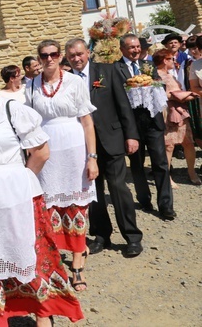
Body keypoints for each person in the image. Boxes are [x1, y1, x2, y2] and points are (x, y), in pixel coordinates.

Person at [0, 57, 83, 327]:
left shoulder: (12, 109)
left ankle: (43, 318)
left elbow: (41, 152)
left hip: (17, 199)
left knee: (31, 258)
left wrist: (19, 180)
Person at [25, 40, 97, 292]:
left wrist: (92, 157)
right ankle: (54, 263)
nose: (49, 59)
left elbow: (87, 122)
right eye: (44, 55)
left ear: (59, 56)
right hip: (46, 152)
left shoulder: (75, 82)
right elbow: (29, 123)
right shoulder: (31, 84)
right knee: (50, 208)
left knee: (77, 208)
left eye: (53, 54)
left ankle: (77, 263)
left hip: (75, 149)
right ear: (39, 58)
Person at [62, 38, 143, 259]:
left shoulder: (106, 71)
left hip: (112, 138)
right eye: (71, 56)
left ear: (87, 53)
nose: (76, 58)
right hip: (83, 145)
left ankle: (132, 237)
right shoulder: (66, 80)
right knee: (93, 192)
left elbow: (123, 104)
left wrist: (131, 135)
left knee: (118, 188)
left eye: (79, 54)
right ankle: (101, 236)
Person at [115, 35, 176, 218]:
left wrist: (153, 84)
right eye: (131, 47)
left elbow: (160, 86)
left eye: (137, 47)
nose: (135, 50)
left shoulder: (146, 66)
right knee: (137, 165)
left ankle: (166, 206)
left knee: (161, 163)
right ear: (122, 49)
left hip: (152, 123)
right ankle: (144, 199)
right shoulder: (115, 69)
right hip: (131, 125)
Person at [154, 49, 201, 186]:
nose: (174, 61)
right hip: (169, 112)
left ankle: (192, 172)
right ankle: (167, 177)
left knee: (188, 142)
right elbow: (162, 94)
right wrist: (180, 95)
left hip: (180, 111)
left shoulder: (170, 75)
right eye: (171, 59)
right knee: (169, 146)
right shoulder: (157, 75)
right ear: (164, 60)